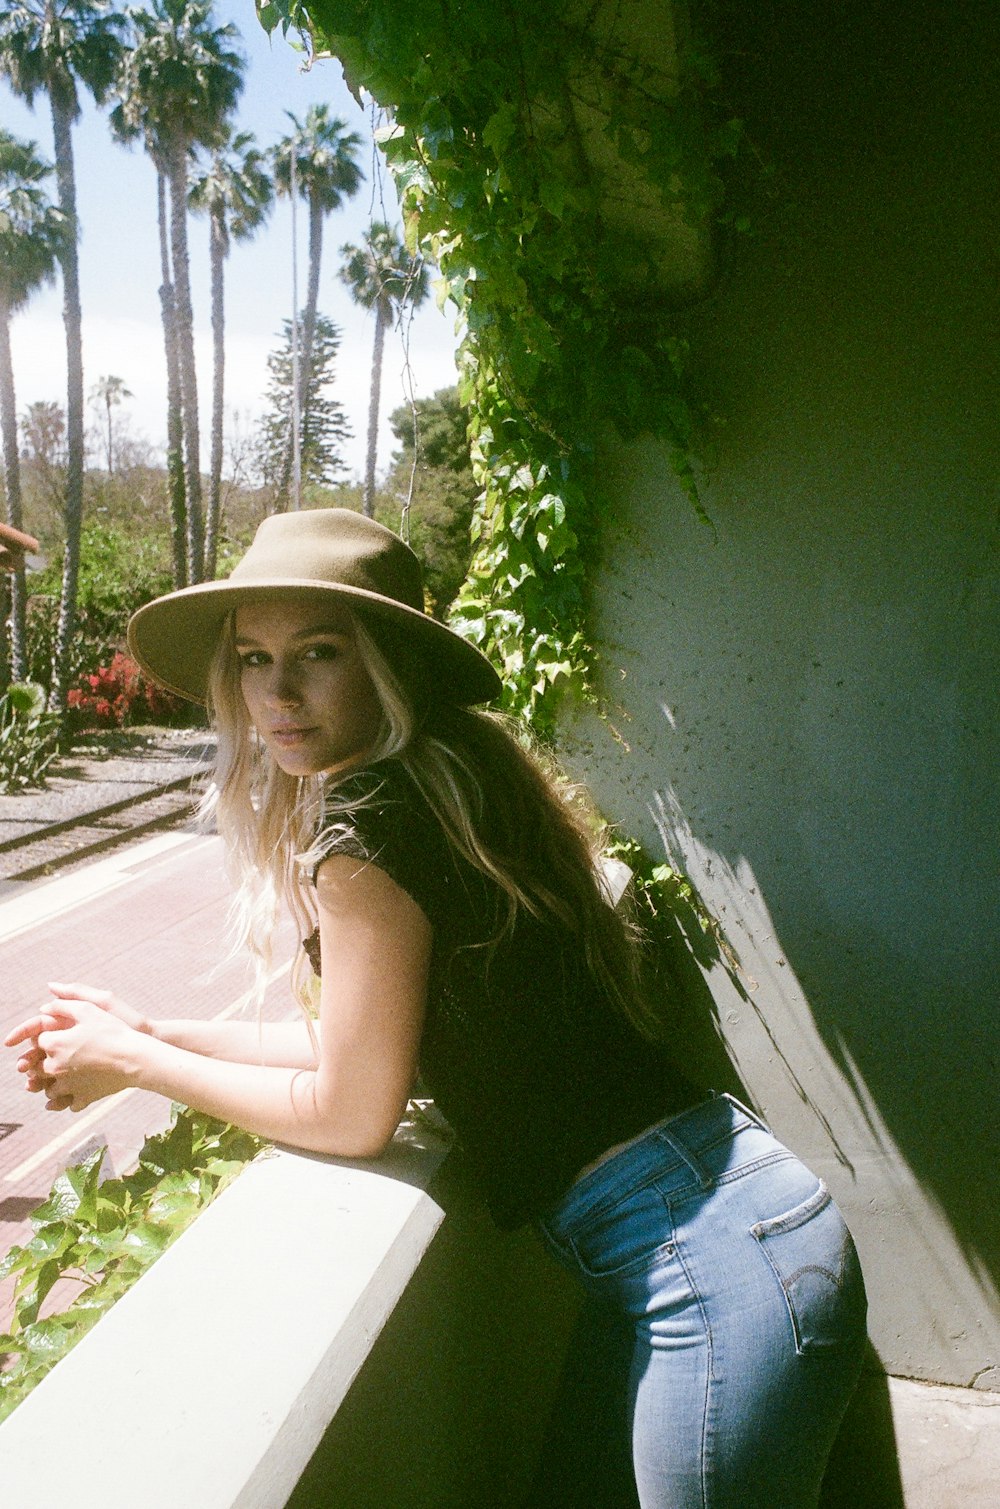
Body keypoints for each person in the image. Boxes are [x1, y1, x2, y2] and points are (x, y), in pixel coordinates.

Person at [5, 509, 867, 1506]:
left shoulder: (365, 829)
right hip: (729, 1226)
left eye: (317, 653)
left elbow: (349, 1110)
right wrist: (148, 1031)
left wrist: (138, 1066)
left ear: (387, 665)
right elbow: (363, 1046)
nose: (276, 693)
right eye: (251, 658)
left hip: (707, 1263)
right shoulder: (447, 778)